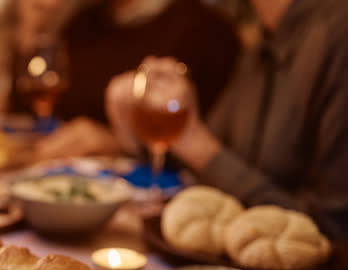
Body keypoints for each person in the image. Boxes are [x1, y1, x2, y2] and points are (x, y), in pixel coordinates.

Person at [103, 0, 348, 241]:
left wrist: (195, 144)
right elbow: (208, 164)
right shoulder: (263, 42)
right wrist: (142, 129)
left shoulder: (337, 34)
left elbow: (334, 228)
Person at [27, 0, 240, 159]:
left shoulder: (207, 31)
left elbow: (211, 153)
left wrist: (121, 145)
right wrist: (30, 31)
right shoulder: (82, 22)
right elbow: (32, 109)